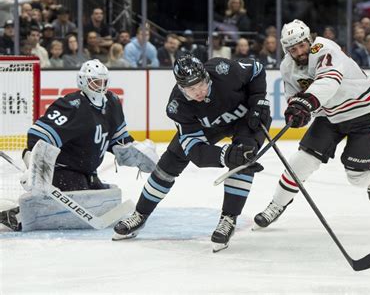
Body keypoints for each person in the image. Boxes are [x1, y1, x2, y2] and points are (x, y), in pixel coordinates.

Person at [113, 54, 271, 252]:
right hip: (211, 126)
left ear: (207, 77)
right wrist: (225, 155)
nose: (198, 92)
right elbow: (195, 152)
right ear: (181, 87)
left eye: (201, 85)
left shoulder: (224, 69)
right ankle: (140, 214)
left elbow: (256, 68)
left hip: (247, 117)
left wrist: (258, 100)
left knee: (243, 156)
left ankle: (229, 218)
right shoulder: (178, 106)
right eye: (190, 89)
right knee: (171, 161)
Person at [253, 19, 370, 229]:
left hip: (366, 112)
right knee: (300, 162)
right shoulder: (287, 67)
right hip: (331, 116)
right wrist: (297, 114)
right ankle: (276, 205)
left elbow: (329, 81)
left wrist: (307, 103)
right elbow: (294, 97)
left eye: (302, 45)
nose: (299, 52)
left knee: (357, 177)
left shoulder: (325, 48)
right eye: (293, 49)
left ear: (309, 40)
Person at [0, 59, 158, 232]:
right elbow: (38, 136)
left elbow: (118, 140)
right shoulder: (71, 106)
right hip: (61, 170)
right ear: (83, 81)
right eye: (96, 82)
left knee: (103, 196)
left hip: (87, 172)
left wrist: (133, 152)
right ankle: (15, 216)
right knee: (80, 193)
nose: (101, 86)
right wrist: (34, 167)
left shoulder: (112, 102)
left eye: (104, 82)